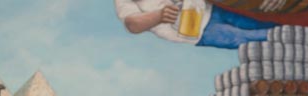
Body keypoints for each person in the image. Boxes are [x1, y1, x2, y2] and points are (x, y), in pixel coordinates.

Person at [114, 0, 278, 49]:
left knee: (259, 23)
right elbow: (132, 24)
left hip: (210, 9)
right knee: (246, 38)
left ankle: (291, 33)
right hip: (200, 31)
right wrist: (159, 16)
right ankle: (291, 38)